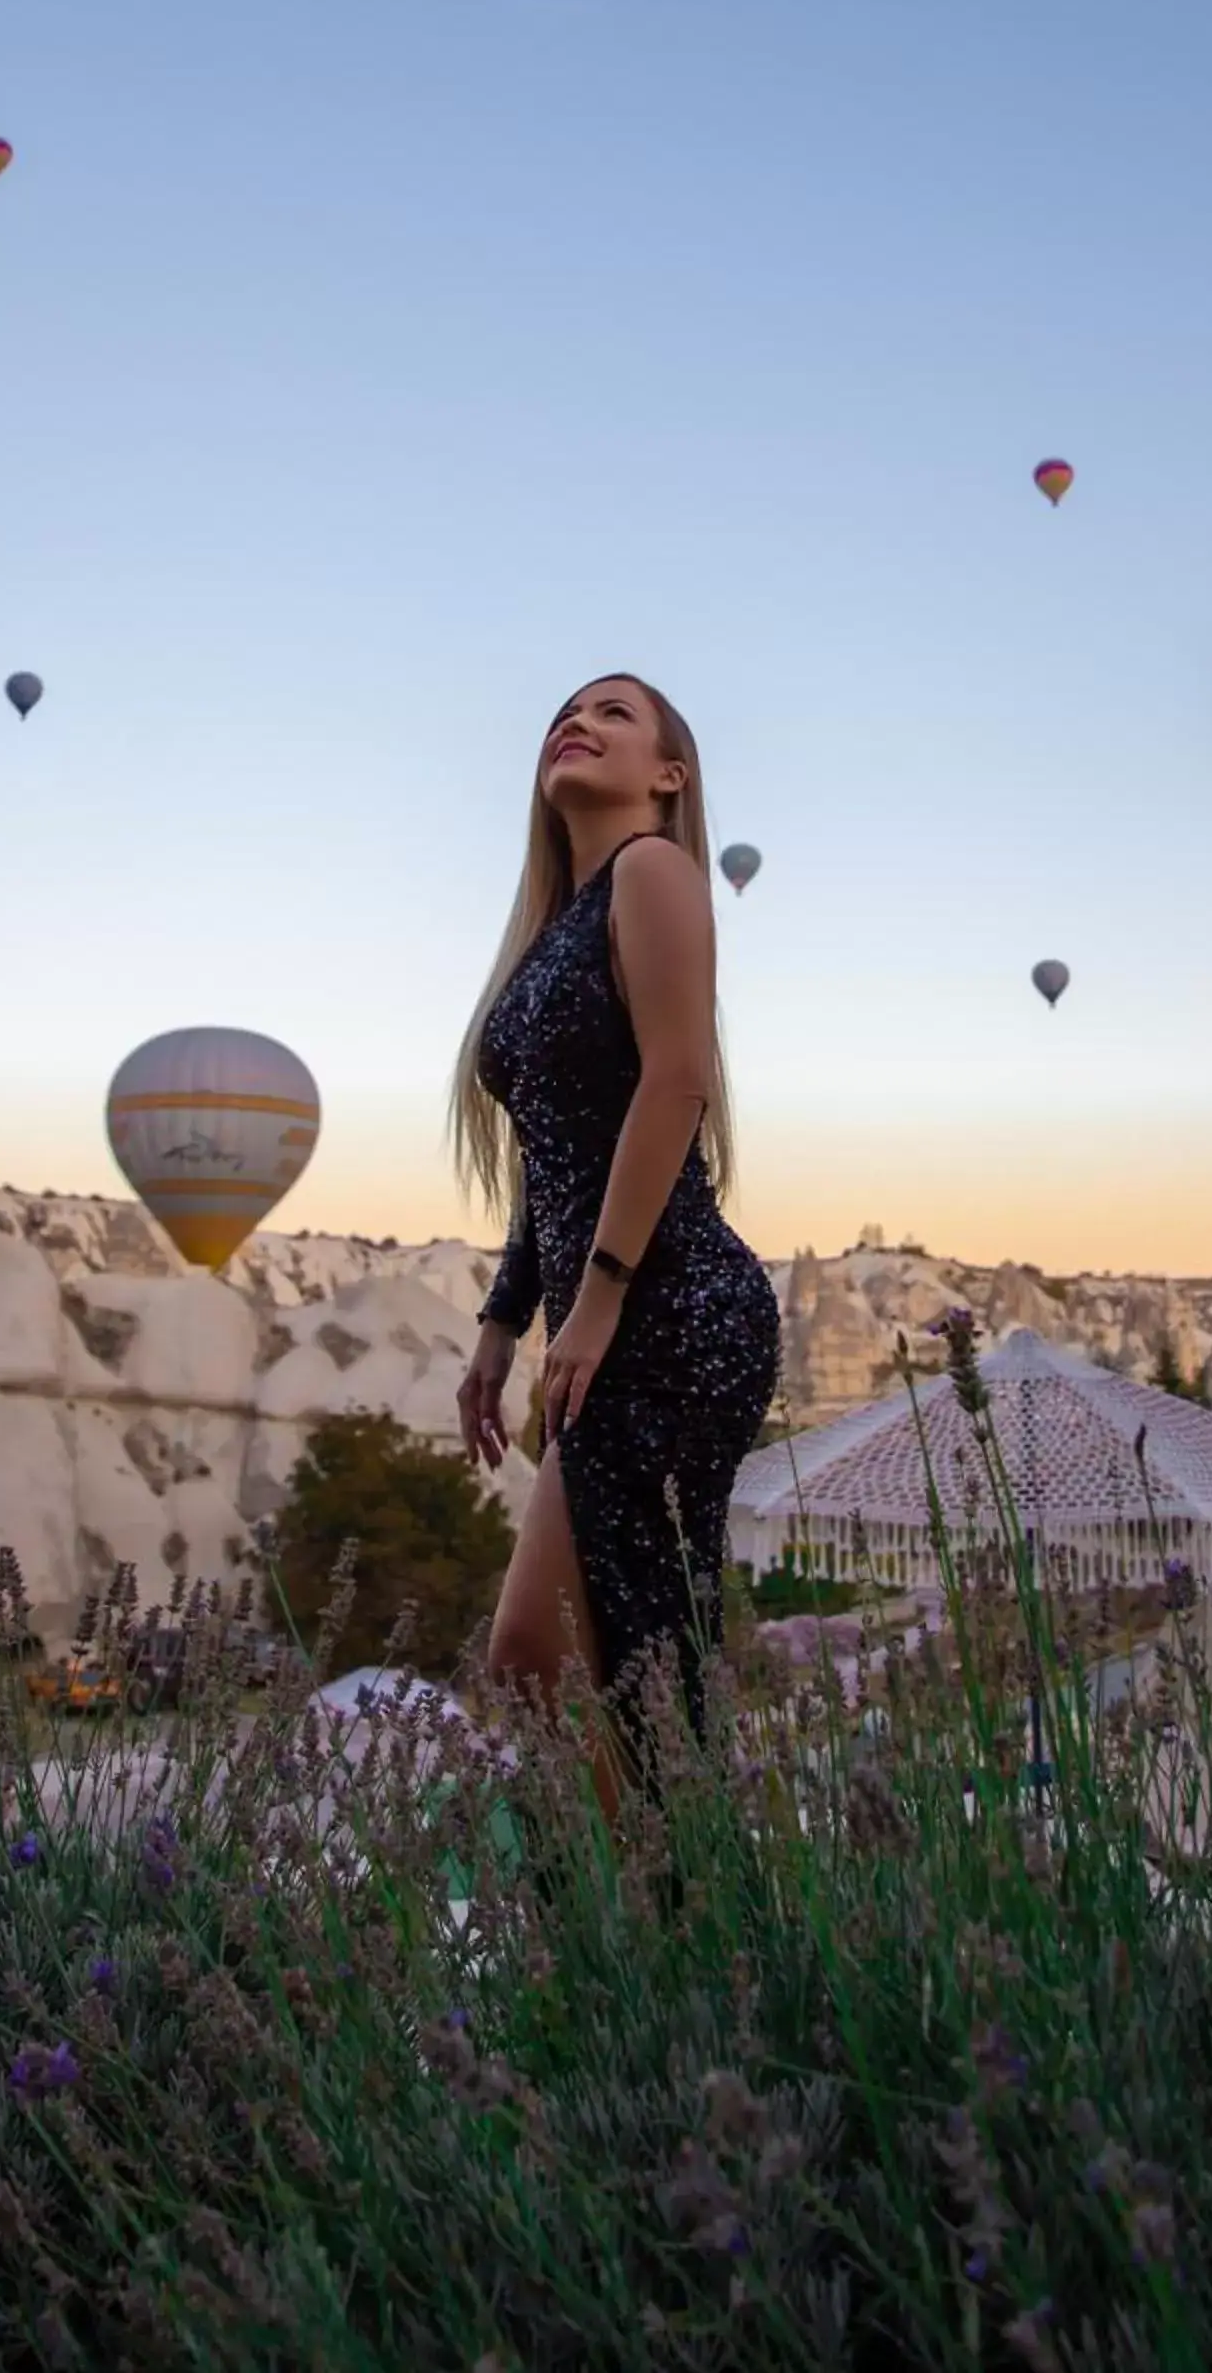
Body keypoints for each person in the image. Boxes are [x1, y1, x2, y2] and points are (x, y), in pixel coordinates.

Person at [451, 673, 780, 1816]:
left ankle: (665, 1928)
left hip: (675, 1305)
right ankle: (638, 1927)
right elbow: (556, 1159)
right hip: (612, 1304)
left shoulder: (654, 868)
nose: (571, 723)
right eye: (559, 714)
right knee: (544, 1659)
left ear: (666, 776)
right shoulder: (552, 935)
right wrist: (501, 1322)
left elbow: (675, 1082)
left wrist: (592, 1302)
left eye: (611, 713)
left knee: (607, 1656)